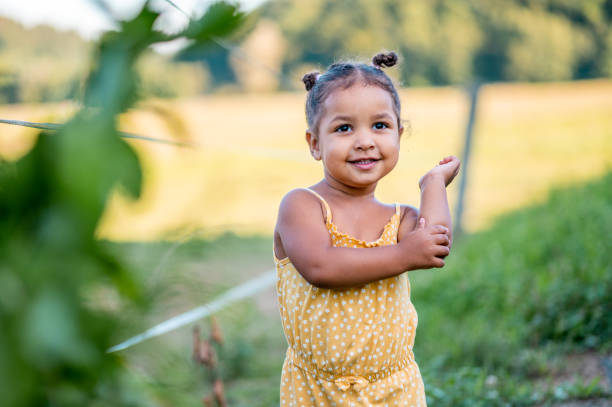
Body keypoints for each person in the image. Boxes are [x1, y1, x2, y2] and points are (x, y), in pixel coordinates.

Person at [273, 51, 460, 406]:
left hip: (394, 388)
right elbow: (320, 267)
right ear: (315, 143)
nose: (364, 141)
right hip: (318, 391)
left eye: (380, 125)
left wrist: (433, 184)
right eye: (344, 128)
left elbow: (435, 243)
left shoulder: (399, 218)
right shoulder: (302, 206)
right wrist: (404, 254)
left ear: (399, 134)